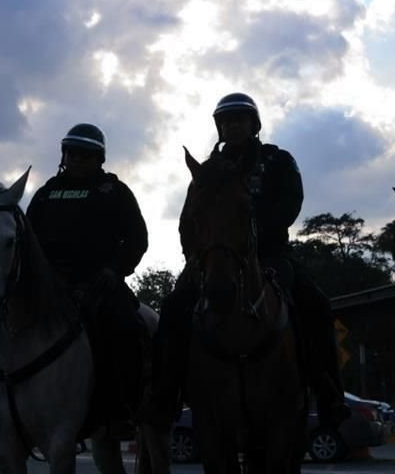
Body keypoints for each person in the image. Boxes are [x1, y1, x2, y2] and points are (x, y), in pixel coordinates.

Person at [143, 93, 350, 429]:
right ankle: (166, 395)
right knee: (174, 307)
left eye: (239, 119)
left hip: (269, 254)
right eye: (226, 121)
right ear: (219, 127)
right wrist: (195, 257)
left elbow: (290, 203)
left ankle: (329, 393)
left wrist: (254, 237)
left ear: (254, 125)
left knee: (315, 304)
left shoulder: (277, 160)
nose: (232, 126)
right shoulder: (206, 170)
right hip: (211, 260)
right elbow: (188, 220)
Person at [0, 123, 149, 431]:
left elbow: (137, 239)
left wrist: (113, 271)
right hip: (49, 286)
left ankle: (123, 403)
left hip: (99, 284)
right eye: (72, 153)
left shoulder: (115, 192)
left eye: (85, 154)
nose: (77, 159)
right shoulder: (45, 194)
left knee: (122, 323)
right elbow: (27, 244)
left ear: (99, 158)